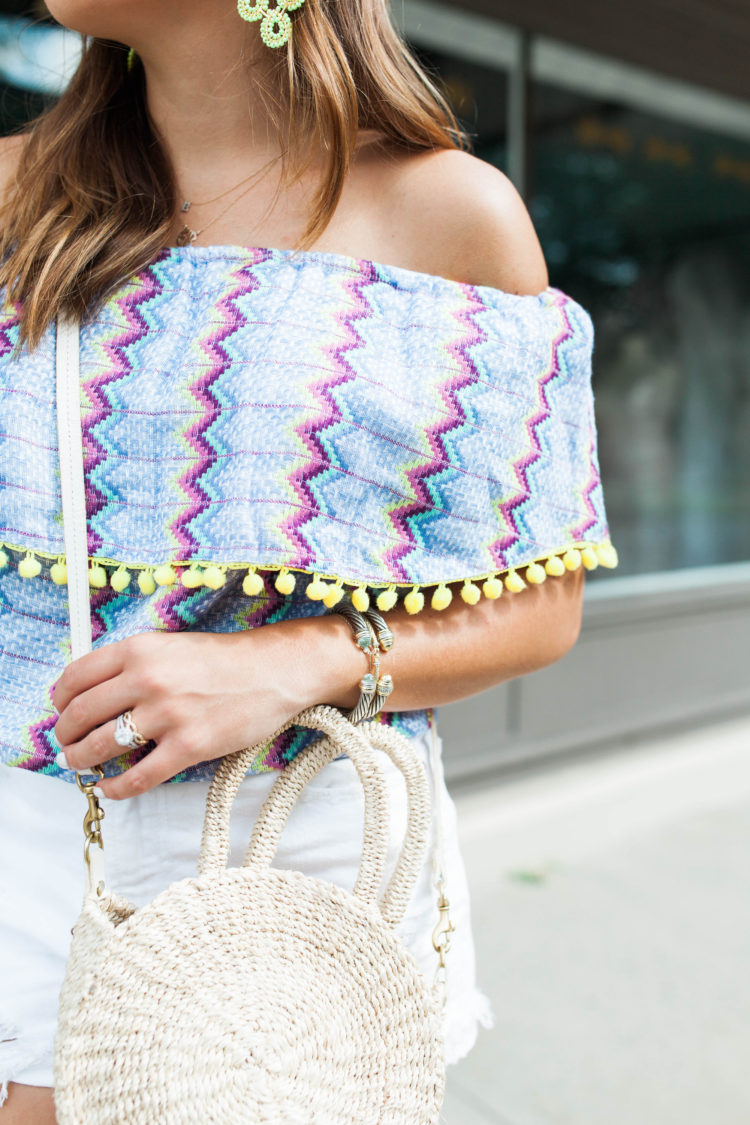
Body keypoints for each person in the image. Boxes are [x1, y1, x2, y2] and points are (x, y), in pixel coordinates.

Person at [0, 0, 615, 1120]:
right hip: (20, 825)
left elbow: (544, 605)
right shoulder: (14, 191)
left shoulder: (447, 215)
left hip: (284, 835)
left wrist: (290, 661)